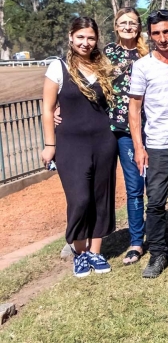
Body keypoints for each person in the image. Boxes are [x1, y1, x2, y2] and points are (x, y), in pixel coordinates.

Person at [40, 17, 117, 277]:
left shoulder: (104, 66)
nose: (85, 43)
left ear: (97, 40)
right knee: (80, 199)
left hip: (103, 142)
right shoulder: (57, 68)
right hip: (70, 144)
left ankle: (95, 252)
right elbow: (48, 110)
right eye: (81, 37)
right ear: (71, 37)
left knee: (100, 198)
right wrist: (50, 145)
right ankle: (79, 252)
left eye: (91, 38)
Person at [129, 10, 168, 278]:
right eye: (156, 33)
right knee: (155, 200)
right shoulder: (143, 66)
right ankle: (157, 253)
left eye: (167, 31)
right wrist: (139, 147)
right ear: (150, 35)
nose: (163, 38)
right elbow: (134, 108)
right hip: (157, 142)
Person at [103, 7, 149, 266]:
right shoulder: (107, 54)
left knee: (152, 185)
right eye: (123, 23)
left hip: (149, 127)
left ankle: (157, 233)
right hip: (118, 129)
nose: (128, 26)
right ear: (116, 26)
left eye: (132, 22)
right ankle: (135, 242)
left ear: (139, 26)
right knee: (134, 189)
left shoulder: (148, 53)